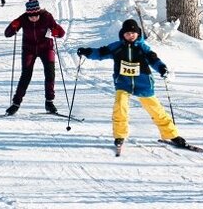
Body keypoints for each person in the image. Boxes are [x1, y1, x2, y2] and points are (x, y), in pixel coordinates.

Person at [76, 19, 185, 148]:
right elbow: (100, 52)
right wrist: (87, 52)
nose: (130, 35)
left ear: (138, 33)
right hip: (123, 83)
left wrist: (162, 68)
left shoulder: (143, 48)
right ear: (123, 34)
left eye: (133, 33)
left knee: (156, 110)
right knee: (120, 107)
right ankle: (120, 135)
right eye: (127, 33)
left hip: (143, 83)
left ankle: (172, 135)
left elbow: (154, 59)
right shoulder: (117, 47)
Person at [4, 0, 65, 115]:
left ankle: (49, 102)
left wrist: (56, 31)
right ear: (27, 14)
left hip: (46, 48)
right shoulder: (23, 18)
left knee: (50, 73)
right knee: (26, 75)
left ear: (39, 12)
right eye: (31, 16)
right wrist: (13, 26)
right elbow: (7, 34)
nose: (33, 18)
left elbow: (61, 33)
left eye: (36, 16)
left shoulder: (47, 17)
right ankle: (16, 104)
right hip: (29, 49)